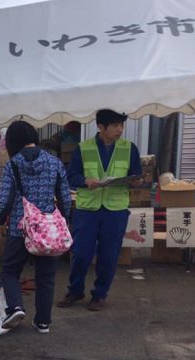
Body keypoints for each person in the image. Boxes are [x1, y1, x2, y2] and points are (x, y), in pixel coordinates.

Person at [57, 109, 143, 311]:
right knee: (81, 252)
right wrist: (86, 181)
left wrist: (137, 181)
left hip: (116, 209)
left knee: (109, 255)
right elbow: (71, 176)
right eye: (115, 126)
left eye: (121, 125)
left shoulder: (129, 148)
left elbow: (137, 176)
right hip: (88, 208)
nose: (120, 130)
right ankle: (75, 290)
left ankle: (100, 294)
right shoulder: (83, 148)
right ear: (101, 127)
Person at [0, 121, 71, 333]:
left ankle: (16, 307)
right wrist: (64, 220)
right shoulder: (54, 163)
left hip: (20, 229)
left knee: (10, 271)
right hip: (48, 230)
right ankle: (43, 322)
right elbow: (65, 197)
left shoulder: (13, 165)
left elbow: (5, 200)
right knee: (45, 277)